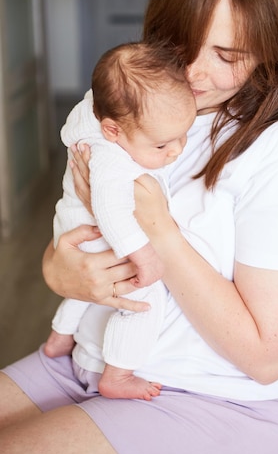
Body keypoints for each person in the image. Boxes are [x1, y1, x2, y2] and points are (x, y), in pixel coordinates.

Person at [0, 0, 278, 454]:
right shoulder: (135, 103)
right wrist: (56, 272)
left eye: (227, 54)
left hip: (207, 397)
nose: (193, 71)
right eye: (182, 41)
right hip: (87, 359)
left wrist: (159, 228)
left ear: (273, 50)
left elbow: (267, 356)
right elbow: (76, 229)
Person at [45, 41, 196, 401]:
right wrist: (146, 258)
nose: (176, 150)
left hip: (71, 228)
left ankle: (59, 337)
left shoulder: (93, 111)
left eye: (182, 136)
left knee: (88, 285)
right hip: (98, 230)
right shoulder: (112, 162)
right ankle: (118, 373)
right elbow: (113, 214)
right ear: (112, 131)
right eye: (161, 146)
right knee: (143, 297)